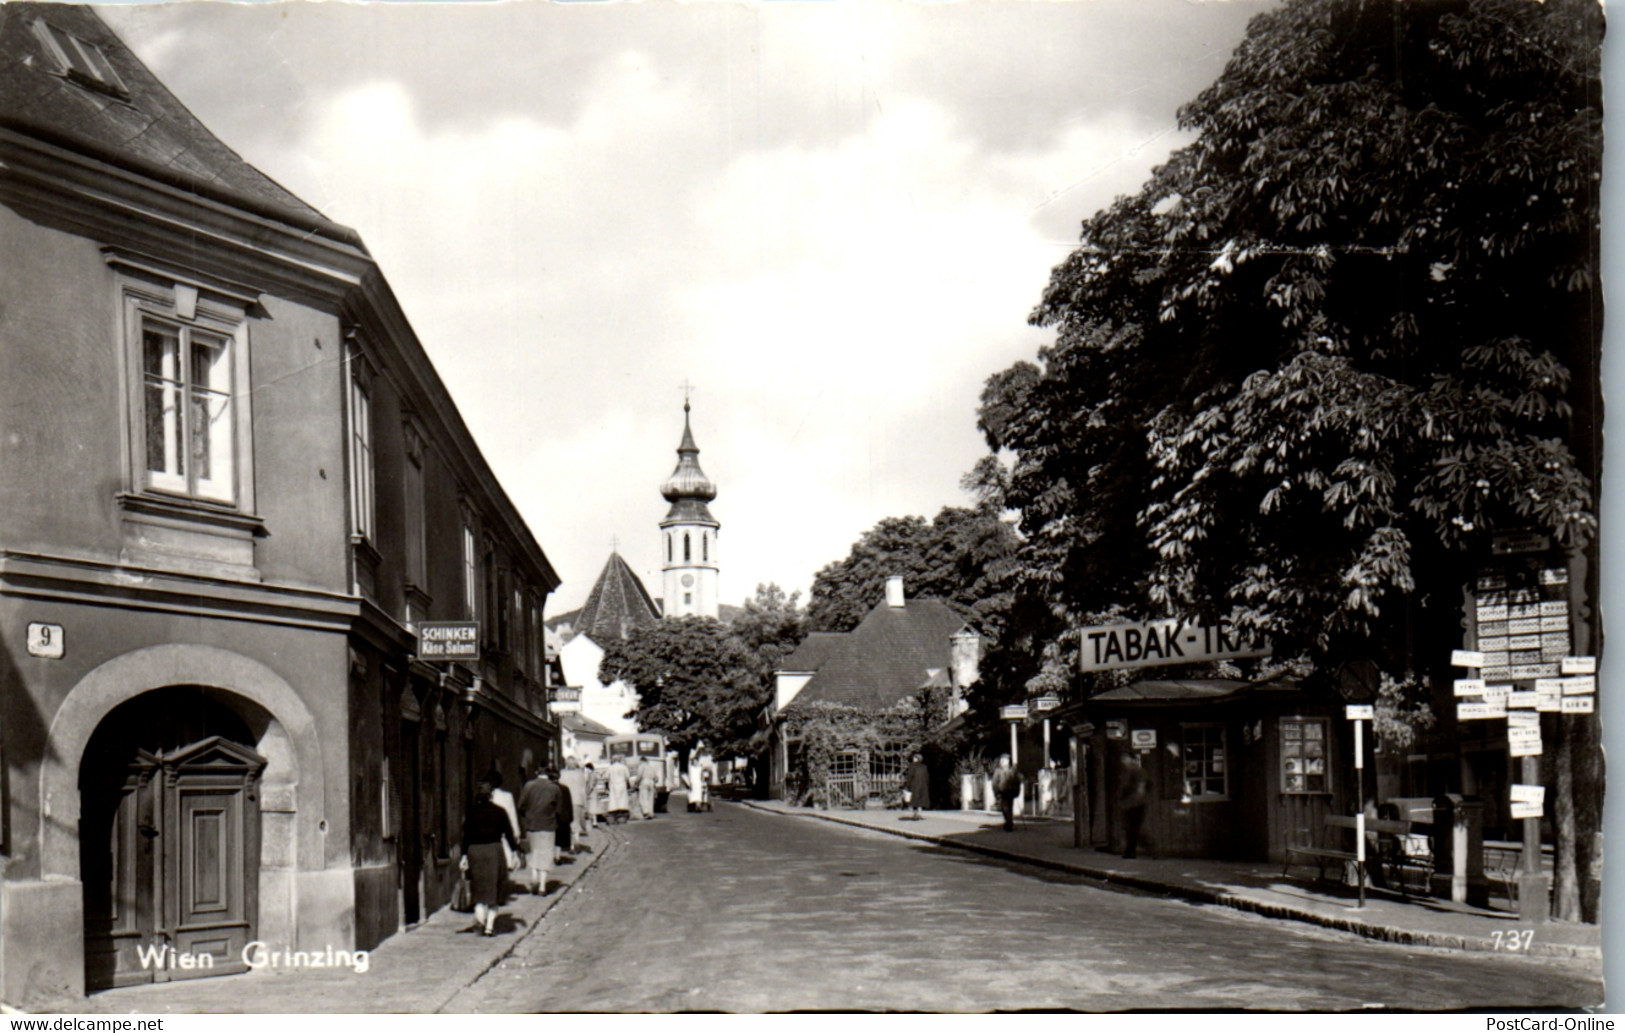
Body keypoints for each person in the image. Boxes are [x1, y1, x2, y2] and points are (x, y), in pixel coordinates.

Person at [460, 778, 517, 936]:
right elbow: (509, 833)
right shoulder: (499, 811)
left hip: (475, 852)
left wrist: (464, 856)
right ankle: (489, 927)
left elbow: (466, 836)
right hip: (493, 851)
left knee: (478, 889)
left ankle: (480, 921)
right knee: (494, 889)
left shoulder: (471, 812)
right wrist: (514, 851)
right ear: (491, 795)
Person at [517, 767, 565, 893]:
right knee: (546, 854)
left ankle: (534, 877)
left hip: (532, 825)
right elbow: (559, 810)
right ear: (548, 775)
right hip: (548, 825)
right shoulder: (555, 788)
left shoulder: (528, 786)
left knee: (534, 852)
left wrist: (526, 817)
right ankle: (543, 886)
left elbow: (520, 805)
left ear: (537, 773)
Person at [486, 768, 522, 879]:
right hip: (504, 834)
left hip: (490, 835)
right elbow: (512, 816)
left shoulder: (487, 797)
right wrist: (516, 833)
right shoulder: (507, 796)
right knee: (505, 862)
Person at [1119, 753, 1151, 859]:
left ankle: (1133, 851)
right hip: (1130, 803)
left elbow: (1140, 788)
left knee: (1133, 829)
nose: (1124, 762)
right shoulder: (1127, 772)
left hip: (1136, 804)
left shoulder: (1138, 771)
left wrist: (1134, 799)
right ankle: (1131, 850)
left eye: (1126, 760)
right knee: (1131, 829)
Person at [559, 756, 591, 851]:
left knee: (566, 822)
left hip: (565, 801)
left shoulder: (562, 774)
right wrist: (585, 804)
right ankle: (575, 843)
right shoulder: (580, 774)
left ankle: (569, 844)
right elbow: (583, 789)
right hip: (577, 800)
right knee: (575, 822)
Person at [991, 754, 1021, 833]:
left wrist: (1017, 791)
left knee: (1008, 808)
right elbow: (994, 782)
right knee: (1004, 808)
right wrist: (996, 792)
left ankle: (1009, 823)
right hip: (1002, 792)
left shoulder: (1013, 770)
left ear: (1008, 761)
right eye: (1001, 760)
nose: (1002, 762)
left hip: (1011, 791)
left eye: (1004, 760)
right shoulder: (998, 771)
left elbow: (1017, 781)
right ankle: (1009, 822)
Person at [902, 752, 931, 821]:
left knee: (914, 801)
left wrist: (907, 785)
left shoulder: (912, 766)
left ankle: (915, 814)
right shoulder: (924, 767)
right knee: (921, 800)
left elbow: (910, 777)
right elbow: (927, 777)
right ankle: (920, 813)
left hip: (914, 785)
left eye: (914, 758)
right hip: (923, 786)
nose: (913, 759)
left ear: (916, 759)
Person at [606, 754, 632, 824]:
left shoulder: (610, 767)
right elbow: (627, 776)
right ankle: (622, 814)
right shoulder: (623, 767)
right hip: (622, 785)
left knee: (614, 801)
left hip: (613, 785)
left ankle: (614, 814)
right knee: (622, 800)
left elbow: (606, 776)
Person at [638, 753, 662, 820]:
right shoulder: (651, 767)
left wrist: (636, 783)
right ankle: (651, 813)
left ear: (642, 761)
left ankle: (646, 812)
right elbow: (656, 778)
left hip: (644, 781)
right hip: (651, 782)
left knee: (643, 797)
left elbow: (639, 776)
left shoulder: (641, 766)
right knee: (650, 798)